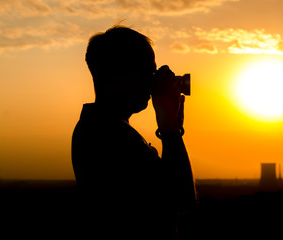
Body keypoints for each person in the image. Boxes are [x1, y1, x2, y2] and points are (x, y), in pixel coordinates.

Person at [71, 26, 196, 239]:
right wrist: (170, 130)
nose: (152, 81)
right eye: (146, 71)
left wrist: (172, 124)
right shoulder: (109, 137)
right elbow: (181, 199)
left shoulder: (100, 128)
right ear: (114, 77)